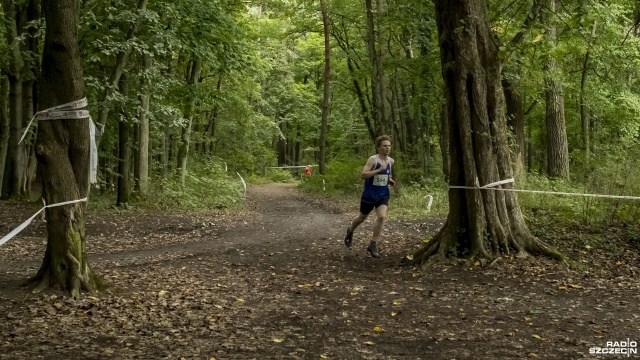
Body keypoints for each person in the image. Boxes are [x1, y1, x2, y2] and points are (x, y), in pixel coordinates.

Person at [344, 135, 395, 257]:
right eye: (384, 146)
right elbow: (363, 175)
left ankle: (373, 244)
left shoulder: (391, 161)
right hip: (369, 194)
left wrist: (390, 181)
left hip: (383, 194)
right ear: (378, 147)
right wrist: (378, 170)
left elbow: (387, 176)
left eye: (389, 146)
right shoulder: (373, 159)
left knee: (382, 216)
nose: (387, 148)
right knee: (362, 218)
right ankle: (350, 230)